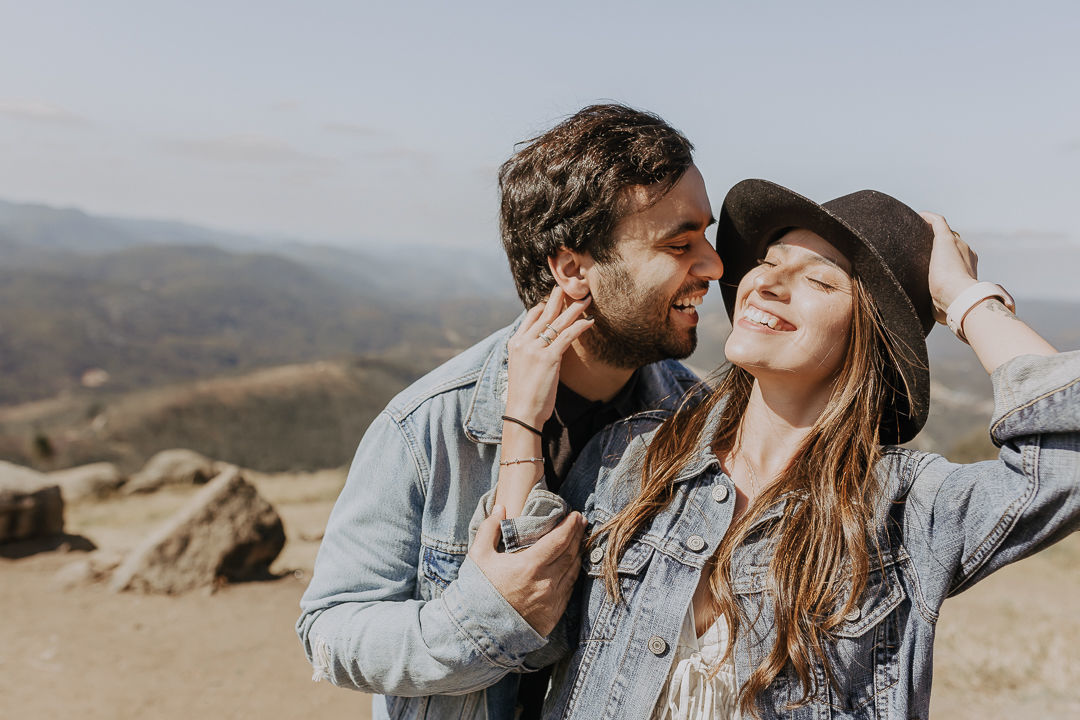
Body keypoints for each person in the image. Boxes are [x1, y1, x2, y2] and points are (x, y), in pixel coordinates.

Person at [484, 179, 1078, 719]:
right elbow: (525, 627)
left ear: (867, 335)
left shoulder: (906, 509)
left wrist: (965, 296)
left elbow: (1064, 459)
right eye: (767, 265)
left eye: (818, 280)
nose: (764, 283)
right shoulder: (635, 457)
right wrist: (522, 424)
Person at [295, 103, 724, 720]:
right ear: (573, 268)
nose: (710, 264)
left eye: (705, 237)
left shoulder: (700, 424)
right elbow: (331, 631)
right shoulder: (427, 427)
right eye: (679, 244)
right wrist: (480, 617)